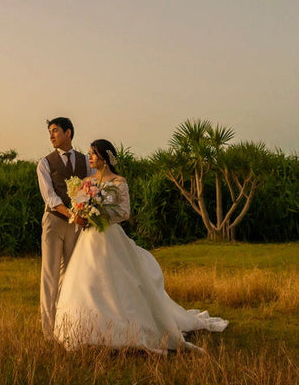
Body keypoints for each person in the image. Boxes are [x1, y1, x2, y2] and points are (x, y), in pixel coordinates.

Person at [53, 139, 228, 353]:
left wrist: (101, 213)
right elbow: (78, 207)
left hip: (109, 235)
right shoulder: (87, 181)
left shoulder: (118, 181)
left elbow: (124, 212)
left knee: (117, 282)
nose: (89, 157)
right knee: (87, 282)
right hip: (88, 238)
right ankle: (86, 331)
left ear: (105, 158)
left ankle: (124, 329)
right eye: (89, 153)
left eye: (93, 153)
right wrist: (81, 215)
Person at [37, 116, 91, 338]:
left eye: (55, 130)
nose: (51, 135)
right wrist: (70, 214)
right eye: (49, 131)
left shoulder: (85, 160)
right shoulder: (45, 163)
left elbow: (89, 188)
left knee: (70, 273)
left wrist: (81, 213)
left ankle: (67, 324)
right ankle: (49, 331)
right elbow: (49, 197)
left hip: (76, 224)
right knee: (50, 274)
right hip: (54, 222)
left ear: (68, 133)